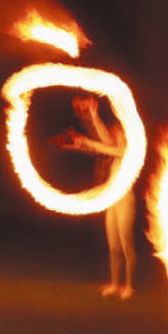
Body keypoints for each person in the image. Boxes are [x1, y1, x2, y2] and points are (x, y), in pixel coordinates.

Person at [56, 95, 137, 299]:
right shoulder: (113, 149)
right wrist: (93, 115)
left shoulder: (128, 153)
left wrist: (86, 141)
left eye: (118, 133)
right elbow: (102, 143)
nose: (114, 135)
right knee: (113, 245)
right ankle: (115, 284)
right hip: (112, 199)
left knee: (126, 244)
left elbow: (104, 147)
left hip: (126, 199)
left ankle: (129, 285)